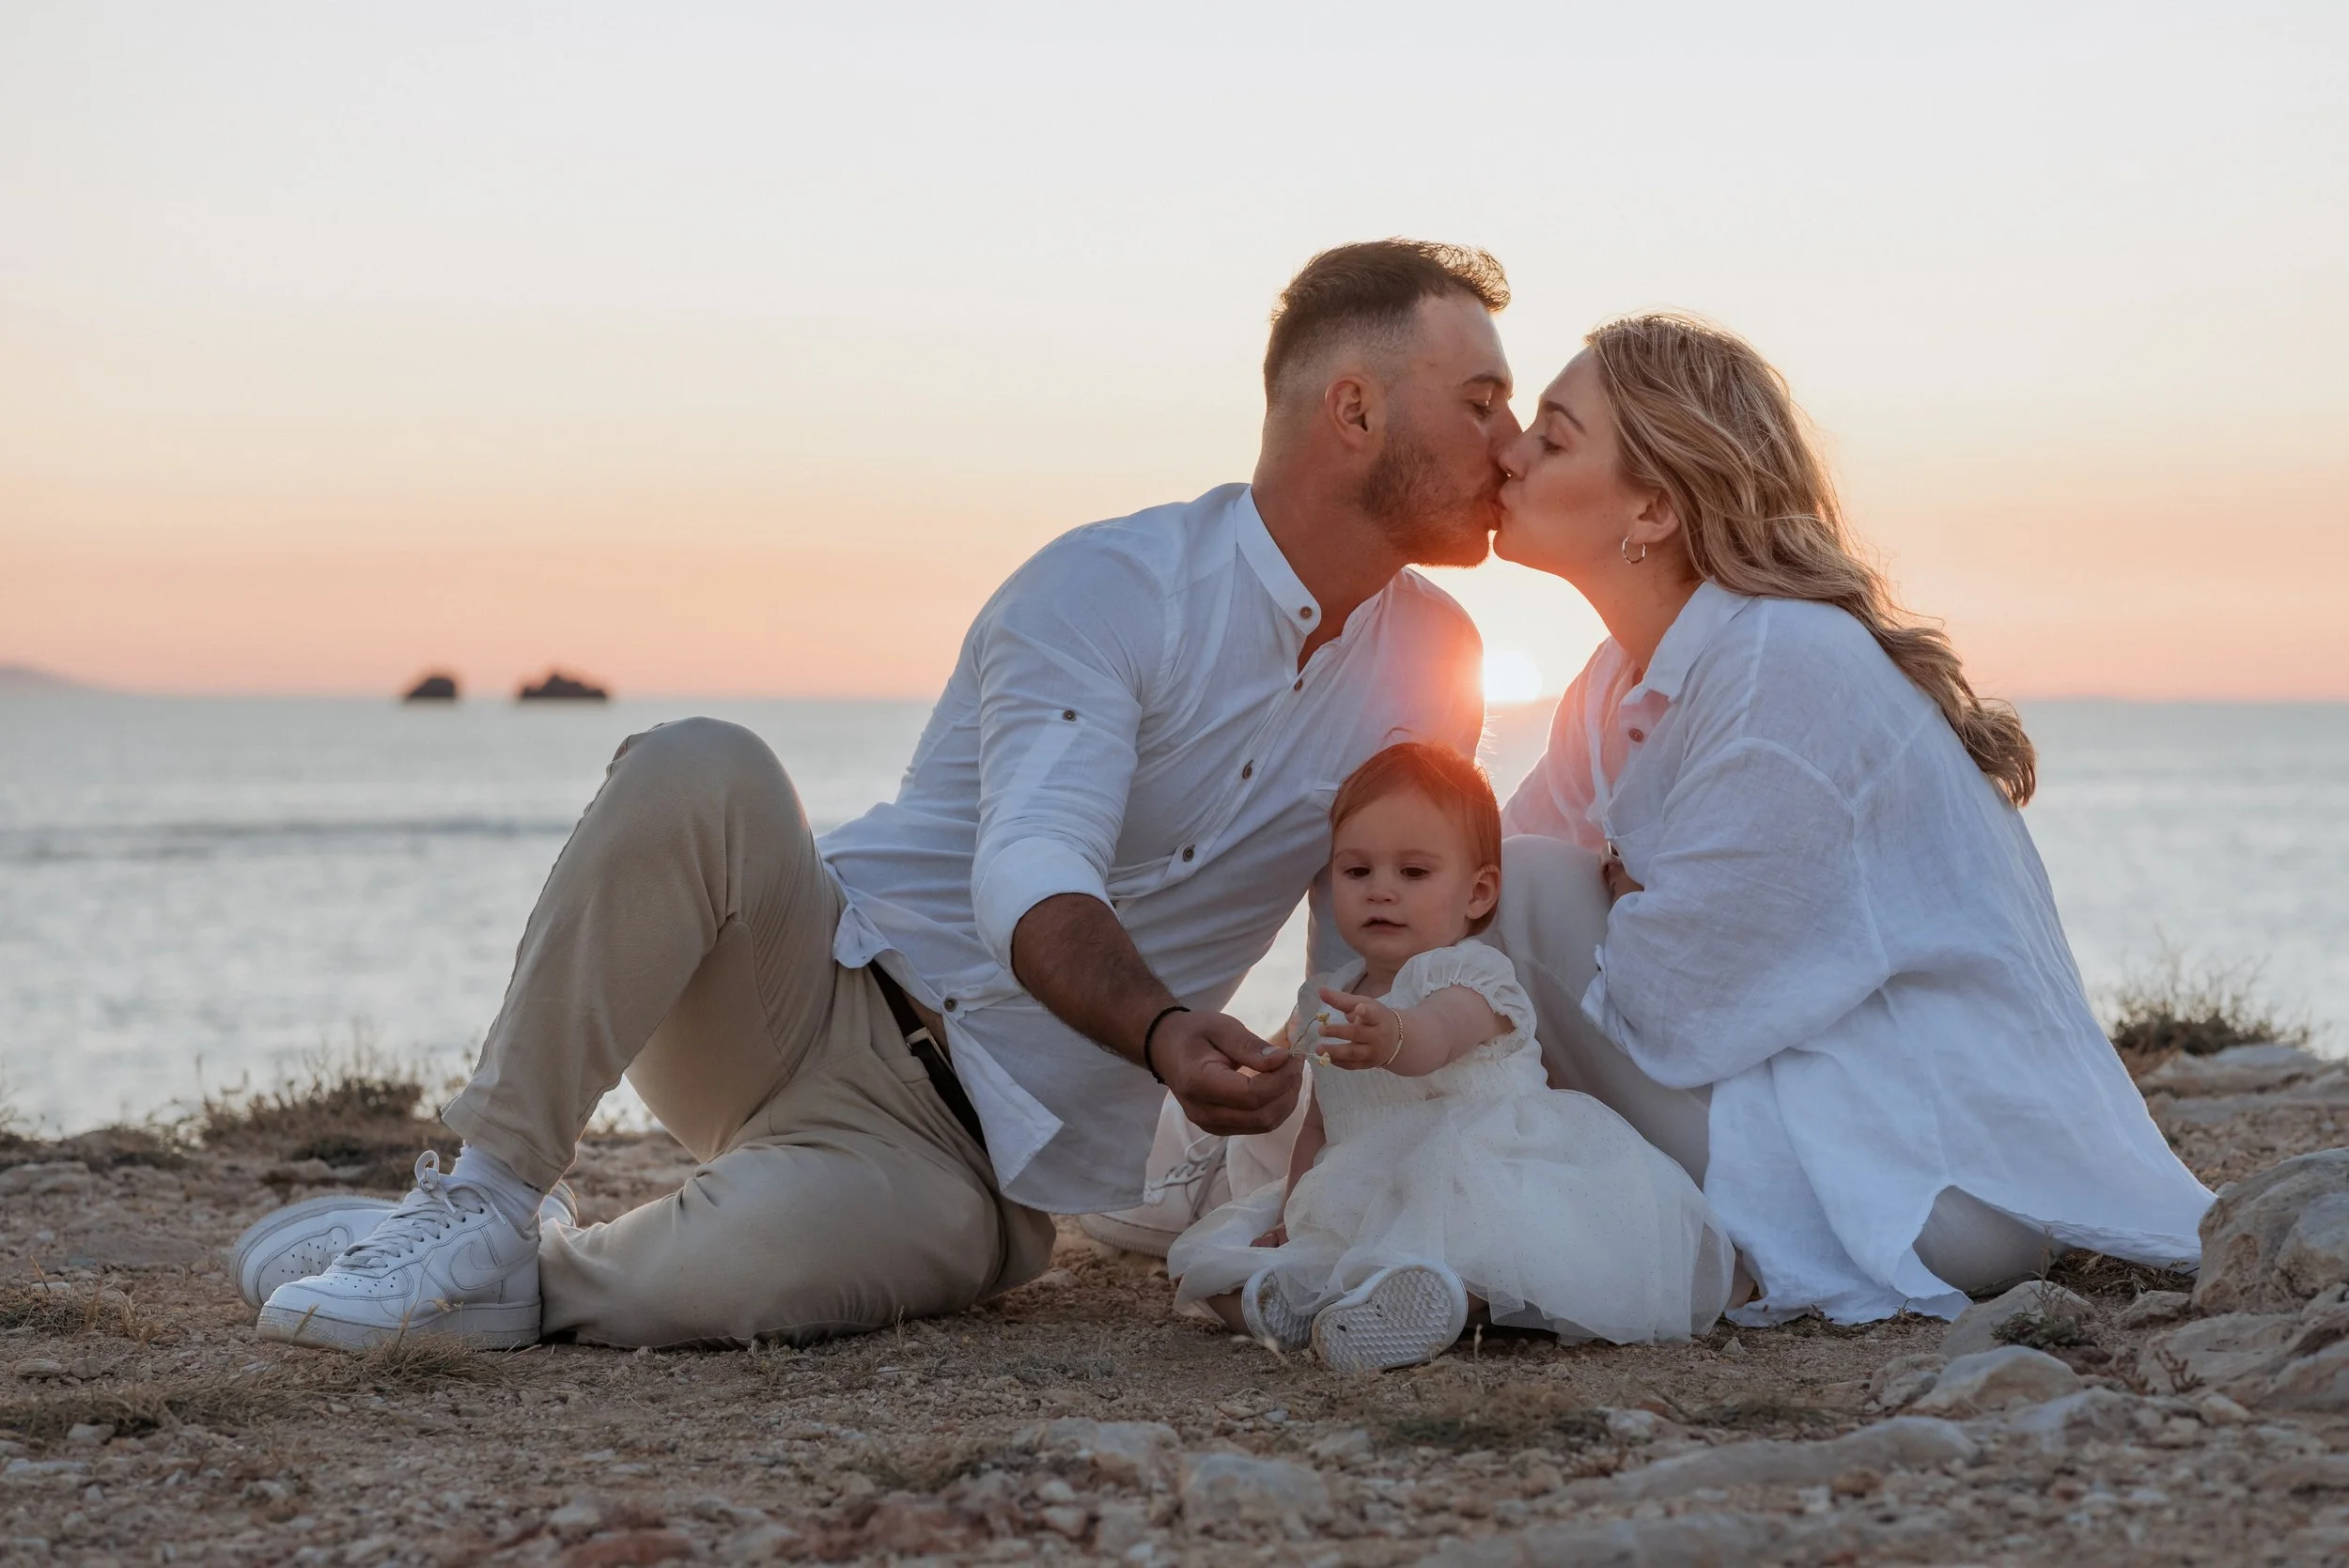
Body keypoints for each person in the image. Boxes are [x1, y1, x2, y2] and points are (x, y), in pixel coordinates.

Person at [234, 239, 1514, 1350]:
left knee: (753, 1276)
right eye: (1482, 402)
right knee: (700, 763)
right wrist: (1169, 1034)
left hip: (961, 1164)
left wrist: (1318, 1198)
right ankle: (482, 1197)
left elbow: (1375, 966)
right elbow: (1033, 867)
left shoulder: (1436, 665)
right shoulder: (1112, 586)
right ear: (1354, 411)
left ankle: (527, 1275)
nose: (1510, 445)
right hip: (800, 982)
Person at [1486, 311, 2213, 1324]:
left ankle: (1449, 1229)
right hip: (1800, 1108)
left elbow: (1672, 1009)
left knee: (1513, 891)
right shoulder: (1617, 681)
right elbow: (1468, 883)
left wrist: (1602, 901)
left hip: (1935, 1181)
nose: (1505, 453)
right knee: (1477, 881)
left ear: (1651, 508)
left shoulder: (1779, 662)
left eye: (1551, 435)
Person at [1166, 743, 1733, 1372]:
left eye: (1413, 872)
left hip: (1487, 1174)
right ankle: (1285, 1303)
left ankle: (1445, 1301)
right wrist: (1297, 1215)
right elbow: (1321, 1125)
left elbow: (1438, 1032)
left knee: (1488, 1253)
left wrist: (1392, 1037)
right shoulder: (1329, 994)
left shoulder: (1473, 975)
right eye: (1357, 872)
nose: (1381, 891)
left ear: (1478, 891)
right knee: (1220, 1258)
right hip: (1372, 1190)